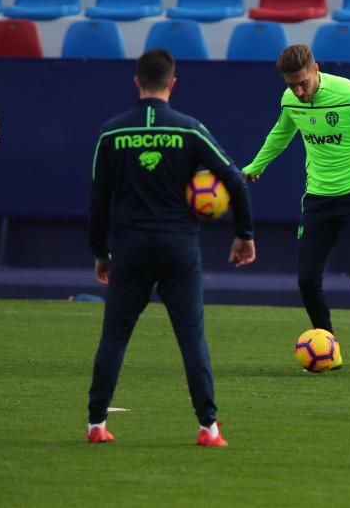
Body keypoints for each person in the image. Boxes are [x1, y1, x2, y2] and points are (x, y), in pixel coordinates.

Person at [86, 49, 256, 446]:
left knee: (114, 337)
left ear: (136, 81)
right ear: (172, 83)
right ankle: (208, 428)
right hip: (178, 246)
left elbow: (98, 201)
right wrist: (244, 233)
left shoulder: (112, 133)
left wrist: (100, 252)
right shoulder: (189, 129)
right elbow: (233, 178)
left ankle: (96, 424)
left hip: (129, 247)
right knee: (192, 337)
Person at [242, 44, 350, 376]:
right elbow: (280, 134)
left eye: (303, 83)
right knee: (307, 279)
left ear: (316, 69)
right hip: (317, 198)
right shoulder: (291, 101)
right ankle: (330, 349)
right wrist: (256, 166)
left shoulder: (349, 95)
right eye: (291, 85)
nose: (298, 91)